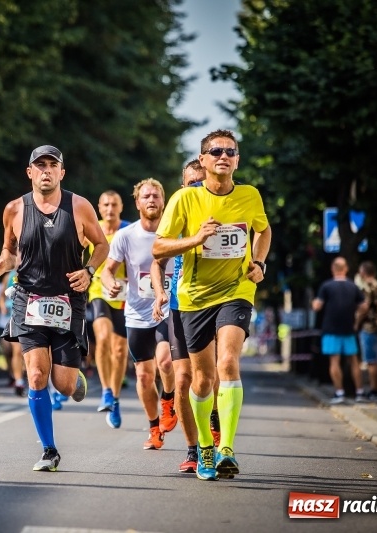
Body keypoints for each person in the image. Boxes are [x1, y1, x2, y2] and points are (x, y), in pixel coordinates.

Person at [152, 129, 271, 481]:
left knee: (228, 362)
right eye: (215, 151)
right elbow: (158, 249)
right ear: (202, 161)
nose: (223, 156)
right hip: (193, 297)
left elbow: (263, 230)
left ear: (237, 159)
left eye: (230, 151)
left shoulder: (250, 196)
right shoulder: (184, 200)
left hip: (236, 290)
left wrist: (260, 263)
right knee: (202, 379)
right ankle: (204, 444)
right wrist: (197, 238)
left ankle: (226, 450)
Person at [0, 144, 108, 472]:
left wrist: (89, 271)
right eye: (39, 165)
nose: (45, 170)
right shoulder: (14, 209)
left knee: (65, 385)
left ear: (61, 172)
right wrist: (2, 265)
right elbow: (11, 251)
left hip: (69, 301)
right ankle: (49, 450)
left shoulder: (79, 207)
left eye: (52, 165)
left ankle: (74, 379)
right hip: (28, 300)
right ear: (29, 172)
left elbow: (102, 245)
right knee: (37, 374)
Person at [102, 178, 177, 447]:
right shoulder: (126, 235)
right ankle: (154, 428)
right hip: (136, 313)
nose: (152, 200)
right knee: (144, 376)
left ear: (163, 201)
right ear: (137, 203)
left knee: (165, 361)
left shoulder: (175, 234)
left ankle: (168, 398)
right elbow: (108, 270)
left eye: (156, 196)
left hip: (168, 309)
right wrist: (109, 283)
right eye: (146, 196)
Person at [151, 160, 205, 472]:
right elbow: (157, 258)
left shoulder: (222, 213)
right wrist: (160, 292)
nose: (196, 187)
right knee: (183, 377)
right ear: (183, 186)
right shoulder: (178, 215)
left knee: (213, 377)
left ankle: (216, 432)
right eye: (191, 183)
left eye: (202, 181)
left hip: (217, 303)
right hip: (179, 305)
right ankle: (193, 450)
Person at [87, 191, 131, 417]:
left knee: (120, 350)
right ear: (99, 207)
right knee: (102, 337)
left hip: (125, 294)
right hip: (99, 291)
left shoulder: (129, 230)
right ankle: (105, 391)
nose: (110, 209)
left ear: (121, 206)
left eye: (114, 204)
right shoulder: (94, 229)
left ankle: (114, 397)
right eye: (105, 205)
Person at [311, 257, 367, 404]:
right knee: (354, 361)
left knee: (334, 361)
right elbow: (364, 306)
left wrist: (314, 303)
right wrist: (357, 320)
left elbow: (317, 306)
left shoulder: (326, 286)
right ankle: (360, 392)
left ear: (332, 269)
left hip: (331, 329)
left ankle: (339, 393)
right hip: (349, 328)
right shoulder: (353, 286)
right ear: (346, 269)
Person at [355, 260, 377, 400]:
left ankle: (375, 390)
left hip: (368, 326)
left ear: (363, 272)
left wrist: (357, 323)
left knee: (370, 360)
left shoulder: (367, 286)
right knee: (376, 359)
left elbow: (364, 307)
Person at [0, 270, 25, 396]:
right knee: (10, 350)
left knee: (18, 350)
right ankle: (17, 378)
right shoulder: (9, 276)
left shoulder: (33, 271)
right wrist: (2, 305)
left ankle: (20, 380)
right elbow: (1, 295)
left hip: (25, 317)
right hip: (8, 317)